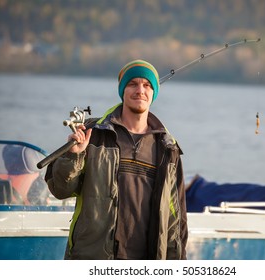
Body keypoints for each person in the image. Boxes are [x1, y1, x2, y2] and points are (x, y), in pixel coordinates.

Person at [45, 59, 188, 260]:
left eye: (147, 85)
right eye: (132, 84)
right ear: (122, 90)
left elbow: (176, 219)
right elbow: (60, 189)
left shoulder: (167, 148)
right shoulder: (92, 134)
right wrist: (74, 155)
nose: (140, 90)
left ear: (153, 92)